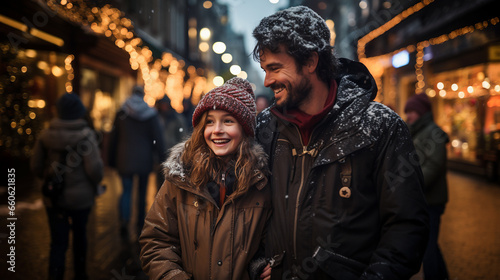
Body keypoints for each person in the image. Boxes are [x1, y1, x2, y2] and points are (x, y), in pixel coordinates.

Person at [252, 6, 429, 280]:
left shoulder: (380, 126)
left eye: (275, 68)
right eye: (265, 69)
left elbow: (406, 226)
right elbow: (244, 212)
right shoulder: (265, 127)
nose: (267, 80)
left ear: (310, 62)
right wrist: (257, 263)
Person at [139, 77, 272, 280]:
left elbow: (270, 242)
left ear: (245, 129)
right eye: (210, 122)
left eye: (228, 121)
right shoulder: (182, 177)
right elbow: (155, 241)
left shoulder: (261, 182)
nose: (217, 130)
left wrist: (260, 265)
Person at [31, 93, 104, 280]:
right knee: (80, 237)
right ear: (78, 112)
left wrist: (50, 177)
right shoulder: (86, 136)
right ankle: (80, 274)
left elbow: (36, 167)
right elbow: (95, 170)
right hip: (81, 199)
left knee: (57, 242)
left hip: (54, 198)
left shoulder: (45, 135)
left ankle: (55, 275)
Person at [108, 85, 165, 240]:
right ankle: (140, 222)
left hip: (124, 158)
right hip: (144, 159)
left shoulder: (121, 113)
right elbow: (157, 139)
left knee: (126, 192)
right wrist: (161, 158)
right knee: (142, 193)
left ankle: (124, 222)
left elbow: (113, 138)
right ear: (143, 95)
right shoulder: (150, 114)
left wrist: (111, 160)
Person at [405, 93, 450, 280]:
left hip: (431, 200)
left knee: (427, 247)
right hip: (423, 200)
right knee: (429, 244)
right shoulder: (416, 130)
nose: (408, 116)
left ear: (421, 112)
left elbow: (433, 166)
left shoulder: (433, 132)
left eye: (411, 112)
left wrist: (411, 183)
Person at [155, 95, 188, 188]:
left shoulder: (177, 118)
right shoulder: (157, 118)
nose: (164, 107)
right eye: (162, 105)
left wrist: (180, 151)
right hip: (160, 152)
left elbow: (183, 136)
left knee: (171, 180)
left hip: (172, 153)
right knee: (159, 179)